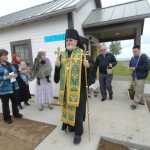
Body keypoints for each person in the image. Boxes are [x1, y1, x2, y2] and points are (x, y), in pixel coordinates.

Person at [54, 29, 93, 145]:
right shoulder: (62, 55)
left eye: (71, 40)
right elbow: (57, 78)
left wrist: (88, 66)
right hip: (66, 90)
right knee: (67, 108)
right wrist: (57, 67)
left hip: (79, 90)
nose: (68, 42)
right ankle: (70, 126)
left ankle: (78, 133)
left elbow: (90, 74)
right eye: (67, 40)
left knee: (78, 112)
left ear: (76, 41)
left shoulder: (82, 54)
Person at [0, 49, 23, 124]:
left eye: (6, 55)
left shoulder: (9, 64)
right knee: (5, 104)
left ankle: (16, 114)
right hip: (4, 88)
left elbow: (15, 72)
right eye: (4, 55)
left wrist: (16, 74)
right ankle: (7, 118)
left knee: (14, 101)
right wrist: (5, 77)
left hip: (13, 85)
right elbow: (3, 76)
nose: (6, 56)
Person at [129, 45, 149, 110]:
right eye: (133, 52)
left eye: (135, 51)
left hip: (141, 77)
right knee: (139, 89)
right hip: (134, 76)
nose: (134, 53)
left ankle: (134, 103)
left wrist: (136, 68)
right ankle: (142, 101)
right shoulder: (132, 58)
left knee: (138, 90)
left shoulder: (143, 56)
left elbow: (147, 67)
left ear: (139, 50)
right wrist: (131, 68)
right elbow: (130, 66)